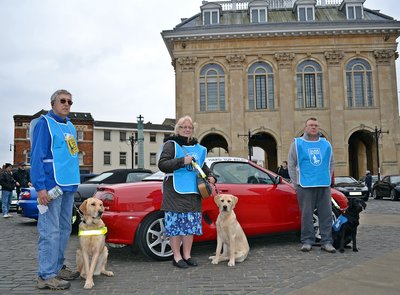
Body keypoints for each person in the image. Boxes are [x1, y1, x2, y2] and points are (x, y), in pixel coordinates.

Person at [30, 89, 81, 290]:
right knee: (49, 231)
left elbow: (72, 155)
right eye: (62, 101)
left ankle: (58, 267)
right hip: (51, 186)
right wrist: (41, 188)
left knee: (64, 229)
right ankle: (45, 275)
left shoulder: (70, 126)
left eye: (70, 101)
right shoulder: (44, 124)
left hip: (68, 186)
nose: (66, 104)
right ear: (53, 104)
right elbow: (37, 157)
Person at [158, 115, 216, 268]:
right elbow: (162, 165)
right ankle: (177, 257)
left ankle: (187, 255)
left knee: (189, 227)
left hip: (193, 191)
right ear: (178, 128)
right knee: (175, 226)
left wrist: (210, 175)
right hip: (174, 192)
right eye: (184, 127)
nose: (187, 129)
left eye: (189, 127)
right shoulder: (171, 145)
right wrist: (181, 161)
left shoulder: (199, 148)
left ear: (193, 130)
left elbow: (202, 166)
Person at [288, 117, 336, 253]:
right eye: (310, 125)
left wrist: (326, 175)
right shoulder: (297, 144)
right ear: (306, 128)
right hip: (305, 185)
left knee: (326, 215)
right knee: (306, 215)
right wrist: (295, 183)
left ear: (318, 127)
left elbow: (331, 163)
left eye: (315, 125)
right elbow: (291, 164)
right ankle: (307, 241)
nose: (313, 127)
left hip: (323, 185)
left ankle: (326, 241)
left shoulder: (326, 144)